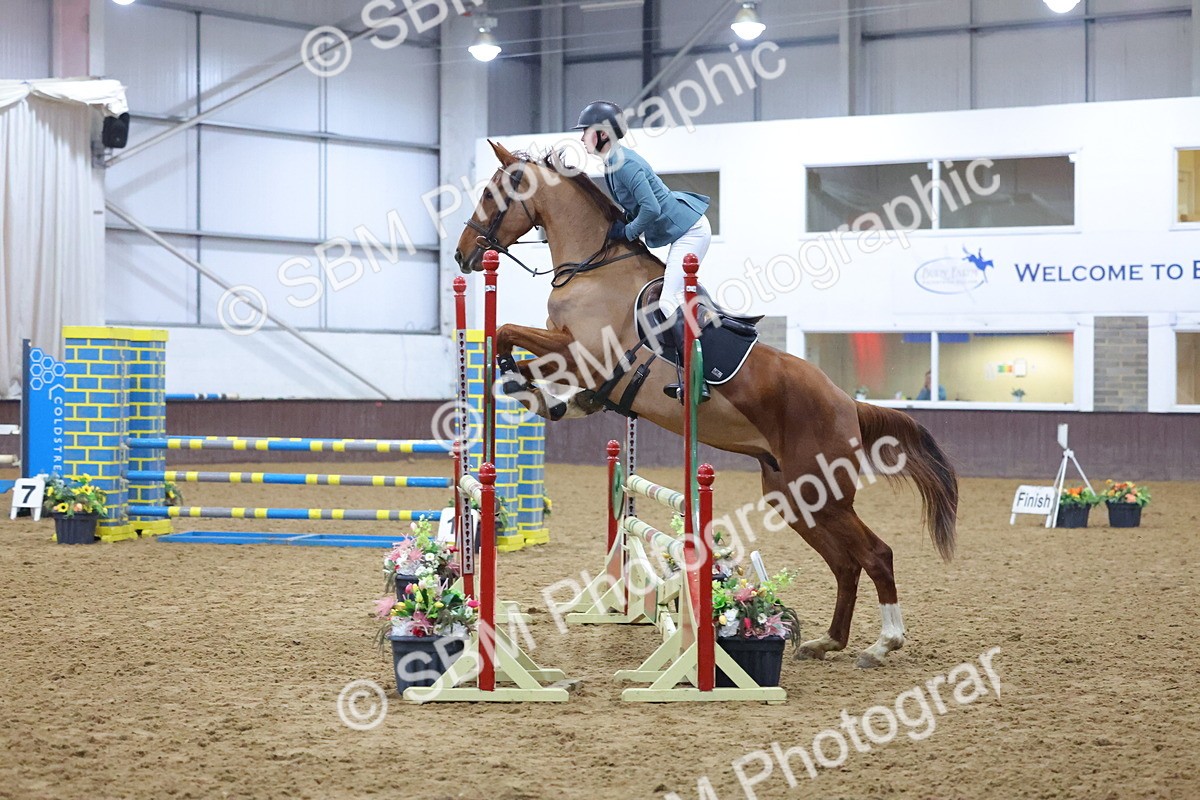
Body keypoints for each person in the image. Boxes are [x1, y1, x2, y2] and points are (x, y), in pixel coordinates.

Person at [575, 100, 713, 398]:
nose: (581, 137)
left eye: (585, 131)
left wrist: (628, 230)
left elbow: (649, 208)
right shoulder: (613, 162)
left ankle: (697, 378)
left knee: (667, 303)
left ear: (601, 134)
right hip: (679, 230)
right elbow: (638, 206)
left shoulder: (624, 163)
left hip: (691, 232)